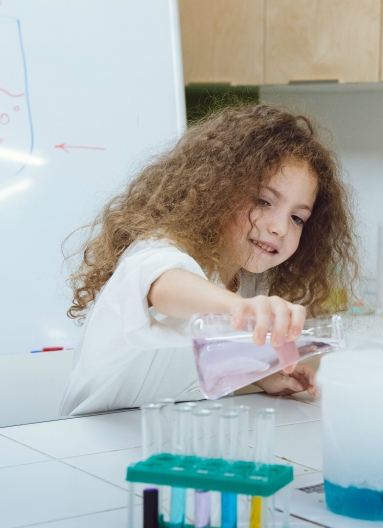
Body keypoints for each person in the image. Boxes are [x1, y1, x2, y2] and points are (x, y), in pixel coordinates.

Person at [60, 105, 358, 416]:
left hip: (153, 429)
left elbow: (187, 363)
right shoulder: (162, 247)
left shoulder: (247, 279)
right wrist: (240, 309)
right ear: (218, 190)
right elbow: (164, 286)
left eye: (297, 218)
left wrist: (259, 375)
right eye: (263, 201)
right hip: (90, 430)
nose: (280, 228)